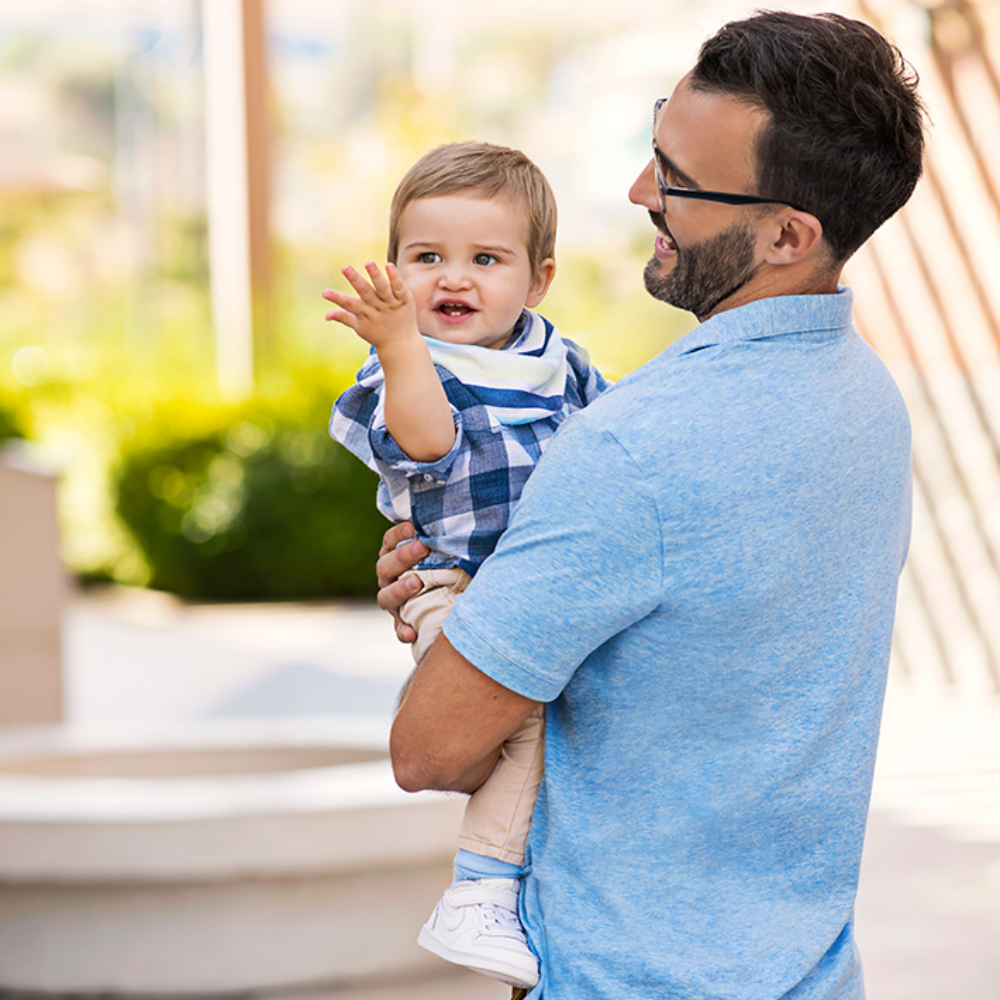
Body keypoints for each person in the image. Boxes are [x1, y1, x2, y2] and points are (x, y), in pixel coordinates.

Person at [381, 12, 926, 1000]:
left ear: (786, 233)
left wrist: (448, 604)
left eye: (673, 179)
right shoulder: (868, 402)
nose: (639, 193)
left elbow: (430, 746)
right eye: (651, 148)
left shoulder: (635, 447)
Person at [324, 141, 608, 990]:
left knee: (545, 727)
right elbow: (429, 440)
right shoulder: (405, 368)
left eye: (486, 259)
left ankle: (513, 880)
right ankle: (479, 891)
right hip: (452, 585)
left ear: (539, 279)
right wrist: (401, 344)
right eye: (426, 258)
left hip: (538, 589)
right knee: (520, 719)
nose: (454, 278)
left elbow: (612, 443)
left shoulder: (556, 361)